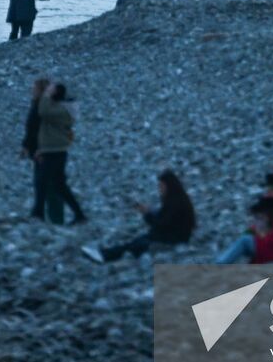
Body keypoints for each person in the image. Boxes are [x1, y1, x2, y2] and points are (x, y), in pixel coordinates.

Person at [82, 170, 195, 263]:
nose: (159, 189)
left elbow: (161, 224)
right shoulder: (176, 199)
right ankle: (103, 254)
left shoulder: (175, 203)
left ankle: (104, 256)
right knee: (135, 242)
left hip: (173, 240)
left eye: (161, 186)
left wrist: (147, 214)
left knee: (137, 245)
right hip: (170, 236)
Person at [35, 82, 86, 224]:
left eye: (51, 90)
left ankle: (37, 214)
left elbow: (43, 112)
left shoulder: (63, 110)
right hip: (52, 150)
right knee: (59, 185)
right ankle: (80, 215)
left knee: (43, 181)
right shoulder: (59, 108)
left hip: (56, 151)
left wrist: (45, 95)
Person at [215, 192, 273, 264]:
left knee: (244, 241)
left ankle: (220, 264)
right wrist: (255, 232)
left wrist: (260, 235)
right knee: (245, 240)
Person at [21, 76, 50, 219]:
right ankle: (39, 210)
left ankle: (39, 211)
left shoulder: (43, 106)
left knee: (42, 180)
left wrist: (41, 148)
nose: (32, 90)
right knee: (40, 179)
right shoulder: (37, 104)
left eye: (34, 88)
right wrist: (25, 146)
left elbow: (40, 128)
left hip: (41, 148)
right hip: (36, 147)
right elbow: (30, 128)